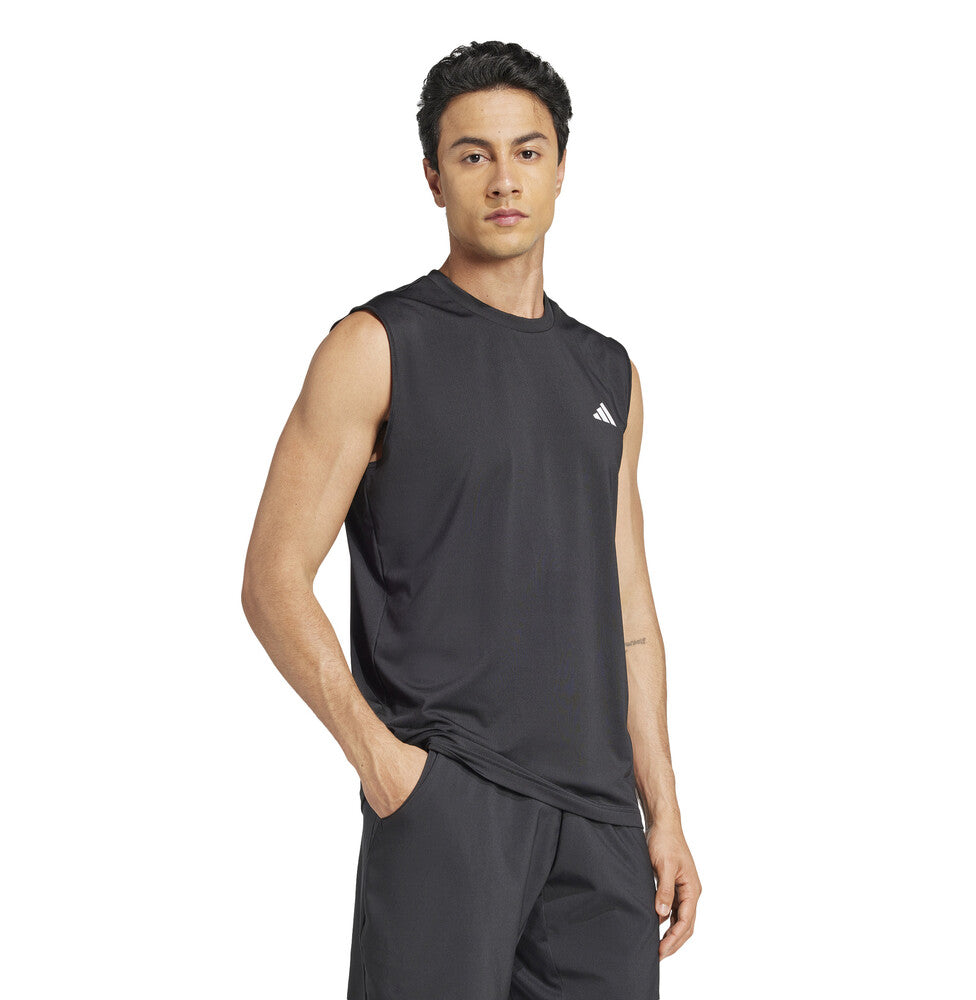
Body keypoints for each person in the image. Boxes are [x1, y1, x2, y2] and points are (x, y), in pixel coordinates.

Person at [242, 39, 700, 1000]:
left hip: (601, 825)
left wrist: (662, 810)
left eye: (527, 152)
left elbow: (629, 613)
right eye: (473, 155)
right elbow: (272, 579)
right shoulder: (375, 346)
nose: (503, 180)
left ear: (562, 169)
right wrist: (385, 765)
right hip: (450, 800)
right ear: (433, 177)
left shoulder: (608, 372)